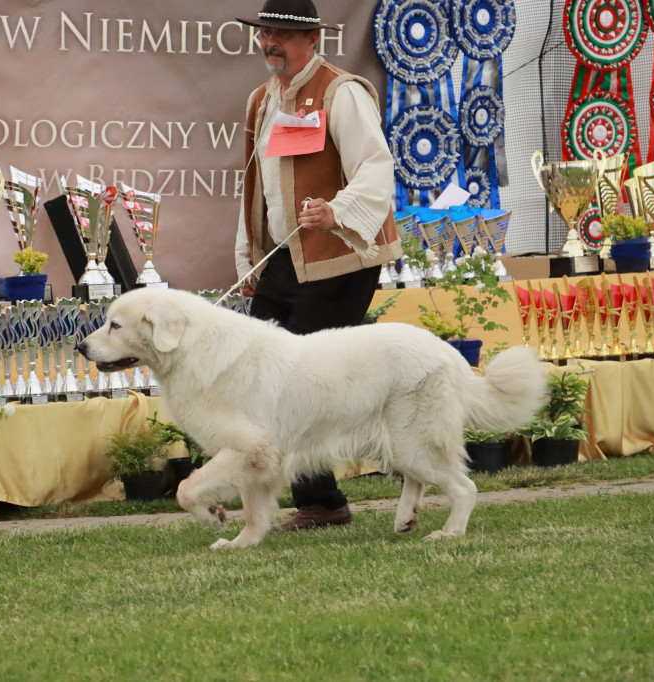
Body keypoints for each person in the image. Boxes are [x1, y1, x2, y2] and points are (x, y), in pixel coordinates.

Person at [234, 0, 401, 531]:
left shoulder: (341, 92)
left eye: (280, 35)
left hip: (341, 255)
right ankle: (320, 501)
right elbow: (256, 187)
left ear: (311, 38)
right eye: (264, 34)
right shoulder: (261, 100)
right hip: (285, 256)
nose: (269, 44)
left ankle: (322, 503)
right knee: (260, 373)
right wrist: (251, 255)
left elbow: (376, 167)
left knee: (299, 379)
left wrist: (338, 210)